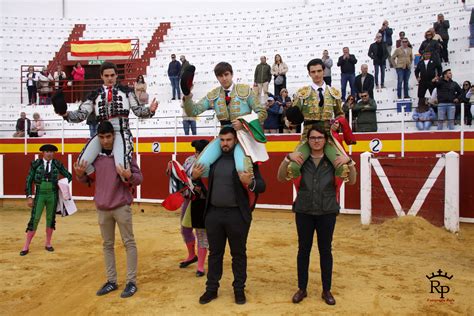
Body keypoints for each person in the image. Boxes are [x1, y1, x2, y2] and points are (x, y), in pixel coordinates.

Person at [277, 125, 356, 305]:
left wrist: (349, 162)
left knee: (325, 251)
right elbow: (281, 178)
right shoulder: (300, 160)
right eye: (313, 138)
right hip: (304, 211)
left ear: (326, 140)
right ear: (308, 140)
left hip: (327, 212)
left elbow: (351, 181)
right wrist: (286, 158)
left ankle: (326, 290)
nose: (316, 141)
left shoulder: (333, 160)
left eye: (320, 138)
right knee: (303, 251)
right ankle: (302, 288)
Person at [193, 127, 266, 305]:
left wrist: (251, 183)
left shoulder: (246, 161)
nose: (225, 143)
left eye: (229, 140)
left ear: (235, 141)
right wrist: (195, 178)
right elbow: (201, 188)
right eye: (222, 140)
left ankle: (239, 290)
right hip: (214, 214)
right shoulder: (214, 161)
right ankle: (211, 289)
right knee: (215, 254)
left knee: (238, 254)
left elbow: (262, 185)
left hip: (236, 215)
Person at [57, 61, 158, 180]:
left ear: (116, 75)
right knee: (81, 164)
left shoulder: (127, 92)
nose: (109, 78)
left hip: (121, 131)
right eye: (106, 76)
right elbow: (82, 114)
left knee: (123, 170)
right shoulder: (95, 95)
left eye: (112, 75)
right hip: (102, 134)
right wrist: (65, 114)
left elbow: (138, 111)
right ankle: (101, 181)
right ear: (101, 76)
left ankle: (124, 191)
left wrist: (150, 110)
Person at [74, 121, 141, 298]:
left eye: (108, 137)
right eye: (102, 137)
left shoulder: (125, 156)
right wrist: (80, 175)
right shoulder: (94, 158)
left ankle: (131, 282)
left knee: (129, 242)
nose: (105, 141)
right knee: (107, 245)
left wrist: (130, 176)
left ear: (114, 136)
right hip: (102, 208)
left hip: (121, 206)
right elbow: (88, 181)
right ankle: (112, 281)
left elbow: (139, 178)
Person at [183, 61, 267, 176]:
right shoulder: (214, 94)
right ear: (217, 78)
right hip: (224, 138)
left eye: (226, 74)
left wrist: (244, 123)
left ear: (231, 74)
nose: (224, 78)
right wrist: (188, 96)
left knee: (242, 168)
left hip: (242, 136)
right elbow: (193, 111)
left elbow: (262, 113)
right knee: (201, 165)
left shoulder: (245, 90)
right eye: (220, 76)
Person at [287, 58, 355, 181]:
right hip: (308, 136)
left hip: (328, 136)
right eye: (313, 72)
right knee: (293, 167)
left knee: (343, 168)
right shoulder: (302, 93)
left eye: (319, 71)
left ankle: (332, 196)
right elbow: (293, 117)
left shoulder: (334, 93)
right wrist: (291, 121)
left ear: (324, 71)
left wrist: (337, 124)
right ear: (309, 73)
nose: (316, 74)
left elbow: (340, 114)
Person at [20, 144, 72, 256]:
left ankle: (48, 244)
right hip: (40, 194)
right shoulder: (36, 164)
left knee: (50, 218)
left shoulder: (57, 164)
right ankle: (26, 246)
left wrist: (61, 183)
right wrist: (29, 196)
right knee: (35, 218)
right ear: (42, 153)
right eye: (47, 151)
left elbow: (69, 176)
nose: (49, 154)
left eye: (52, 152)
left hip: (53, 194)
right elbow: (29, 180)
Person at [178, 139, 210, 277]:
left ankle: (201, 266)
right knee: (185, 229)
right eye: (196, 152)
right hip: (188, 200)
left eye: (200, 152)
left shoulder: (211, 163)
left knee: (201, 232)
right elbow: (182, 180)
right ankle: (192, 255)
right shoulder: (189, 160)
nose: (197, 154)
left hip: (203, 201)